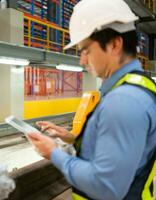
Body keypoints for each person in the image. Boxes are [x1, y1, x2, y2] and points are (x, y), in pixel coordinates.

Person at [27, 0, 156, 199]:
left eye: (86, 50)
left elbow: (106, 187)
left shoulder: (123, 101)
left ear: (114, 44)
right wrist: (71, 137)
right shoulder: (138, 87)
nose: (82, 60)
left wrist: (54, 153)